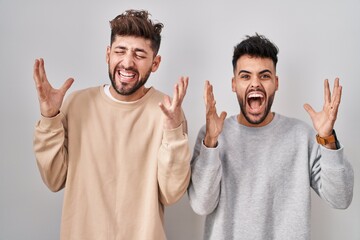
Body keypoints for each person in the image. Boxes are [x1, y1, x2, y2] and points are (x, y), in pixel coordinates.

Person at [33, 10, 191, 240]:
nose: (127, 63)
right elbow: (54, 179)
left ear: (155, 63)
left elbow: (171, 193)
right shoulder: (77, 104)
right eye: (120, 51)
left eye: (139, 54)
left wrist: (174, 131)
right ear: (108, 54)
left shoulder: (167, 111)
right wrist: (49, 117)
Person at [188, 33, 354, 240]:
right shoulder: (212, 136)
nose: (255, 83)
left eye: (264, 76)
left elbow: (341, 198)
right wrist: (211, 144)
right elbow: (201, 205)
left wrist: (328, 138)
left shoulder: (302, 136)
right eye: (245, 76)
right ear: (234, 84)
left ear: (276, 83)